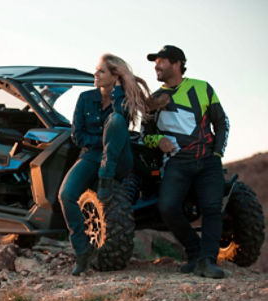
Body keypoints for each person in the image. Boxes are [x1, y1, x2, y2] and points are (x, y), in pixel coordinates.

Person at [58, 53, 150, 276]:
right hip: (91, 155)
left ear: (114, 76)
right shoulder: (85, 98)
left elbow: (119, 127)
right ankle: (82, 250)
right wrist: (101, 140)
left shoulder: (123, 100)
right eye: (96, 70)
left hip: (118, 157)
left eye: (101, 71)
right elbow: (77, 136)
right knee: (66, 195)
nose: (95, 74)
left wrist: (118, 91)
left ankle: (106, 178)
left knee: (116, 121)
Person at [143, 45, 229, 278]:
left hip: (207, 161)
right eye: (154, 62)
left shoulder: (202, 88)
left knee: (212, 209)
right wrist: (158, 139)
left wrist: (217, 154)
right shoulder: (153, 99)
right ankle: (194, 253)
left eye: (160, 61)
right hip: (176, 163)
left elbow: (221, 123)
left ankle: (207, 261)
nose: (156, 67)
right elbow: (144, 136)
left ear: (176, 63)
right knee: (168, 207)